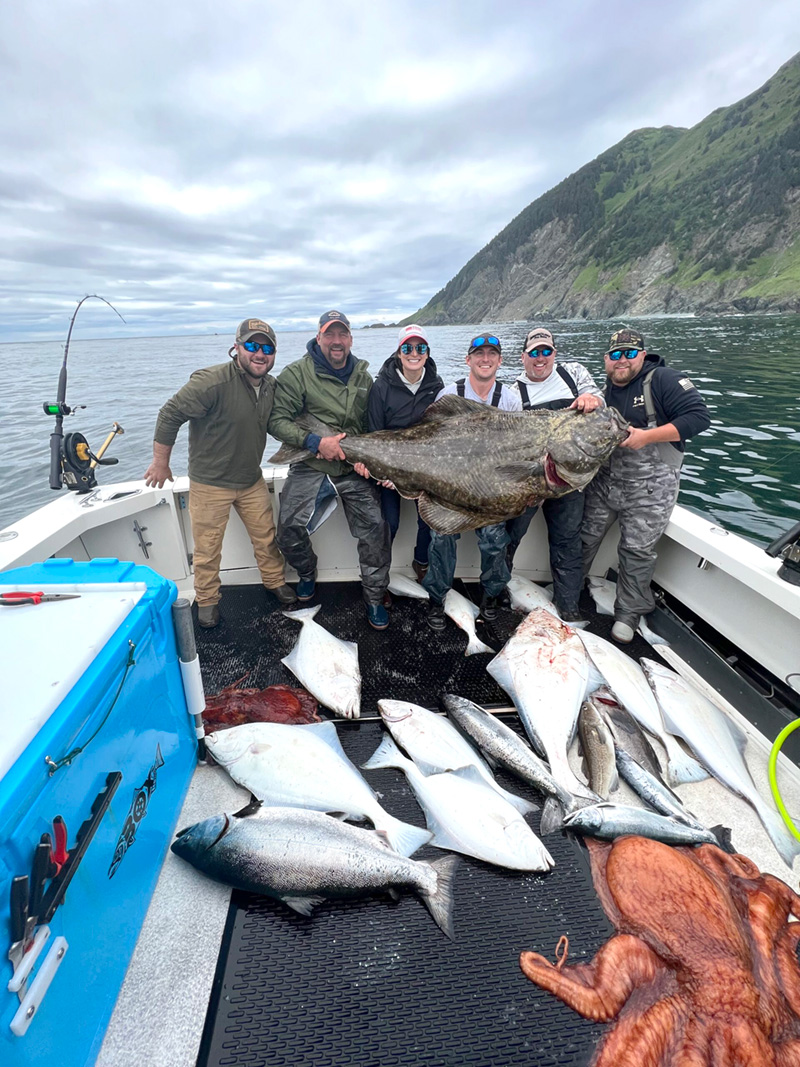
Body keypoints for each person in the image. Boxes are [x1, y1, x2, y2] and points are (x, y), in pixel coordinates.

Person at [144, 318, 296, 629]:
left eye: (267, 348)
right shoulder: (212, 382)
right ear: (236, 348)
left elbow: (282, 421)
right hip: (210, 483)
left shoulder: (270, 386)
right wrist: (161, 461)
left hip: (251, 479)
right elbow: (170, 413)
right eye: (252, 346)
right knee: (208, 548)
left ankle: (274, 581)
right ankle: (209, 601)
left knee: (266, 538)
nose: (259, 354)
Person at [581, 327, 711, 643]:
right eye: (615, 355)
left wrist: (646, 437)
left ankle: (628, 613)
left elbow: (698, 417)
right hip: (606, 482)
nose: (621, 360)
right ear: (606, 360)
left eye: (629, 353)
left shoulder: (664, 380)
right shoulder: (604, 391)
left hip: (651, 489)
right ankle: (567, 590)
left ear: (642, 355)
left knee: (636, 551)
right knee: (583, 538)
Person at [269, 310, 392, 630]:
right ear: (319, 336)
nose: (336, 341)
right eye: (330, 334)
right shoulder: (297, 373)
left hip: (352, 468)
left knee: (376, 529)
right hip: (312, 464)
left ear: (350, 338)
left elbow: (371, 427)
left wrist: (368, 460)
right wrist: (314, 442)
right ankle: (307, 571)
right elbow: (277, 421)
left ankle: (375, 595)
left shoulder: (364, 377)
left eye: (342, 335)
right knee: (288, 528)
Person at [422, 334, 523, 631]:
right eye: (479, 354)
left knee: (494, 540)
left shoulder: (510, 399)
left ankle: (491, 595)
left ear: (500, 360)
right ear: (468, 359)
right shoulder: (450, 394)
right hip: (452, 488)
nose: (485, 359)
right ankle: (436, 597)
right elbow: (433, 440)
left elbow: (518, 449)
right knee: (441, 537)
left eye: (492, 354)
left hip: (491, 492)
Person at [504, 326, 605, 623]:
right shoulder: (514, 393)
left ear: (554, 354)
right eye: (534, 353)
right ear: (523, 357)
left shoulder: (573, 374)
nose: (540, 358)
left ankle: (568, 605)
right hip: (532, 480)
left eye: (546, 351)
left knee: (567, 540)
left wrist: (592, 400)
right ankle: (498, 591)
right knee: (511, 535)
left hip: (570, 477)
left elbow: (599, 400)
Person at [355, 324, 443, 582]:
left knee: (429, 519)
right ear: (399, 352)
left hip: (424, 470)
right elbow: (374, 434)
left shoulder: (436, 386)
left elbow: (440, 434)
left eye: (420, 347)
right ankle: (380, 576)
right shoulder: (381, 387)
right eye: (407, 347)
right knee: (388, 523)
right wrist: (383, 472)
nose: (413, 353)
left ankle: (421, 562)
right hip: (387, 467)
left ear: (427, 353)